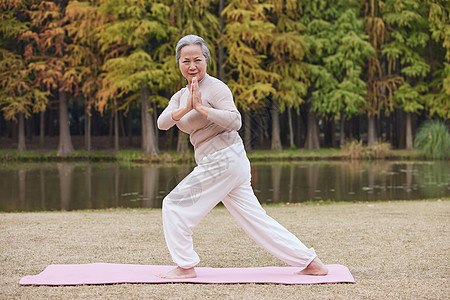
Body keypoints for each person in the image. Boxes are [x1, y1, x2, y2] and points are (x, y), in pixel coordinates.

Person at [156, 34, 328, 279]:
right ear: (179, 64)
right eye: (186, 61)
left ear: (206, 60)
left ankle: (185, 267)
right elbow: (162, 123)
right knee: (256, 221)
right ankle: (311, 262)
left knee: (174, 206)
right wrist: (185, 108)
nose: (192, 66)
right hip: (224, 163)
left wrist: (204, 109)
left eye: (197, 59)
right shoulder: (179, 96)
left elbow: (235, 120)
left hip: (223, 159)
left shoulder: (216, 88)